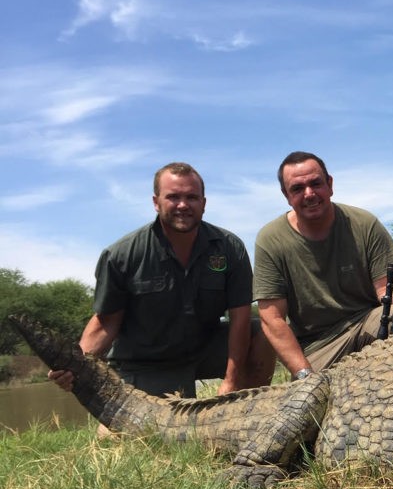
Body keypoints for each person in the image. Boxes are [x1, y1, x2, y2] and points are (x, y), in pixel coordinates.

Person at [49, 162, 275, 399]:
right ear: (156, 203)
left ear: (204, 204)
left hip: (204, 347)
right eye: (173, 197)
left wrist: (232, 381)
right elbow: (106, 323)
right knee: (126, 436)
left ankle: (248, 407)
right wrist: (74, 365)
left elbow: (240, 318)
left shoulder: (230, 247)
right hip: (147, 362)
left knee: (260, 331)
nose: (183, 205)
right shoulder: (121, 255)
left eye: (191, 197)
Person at [254, 151, 393, 380]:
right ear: (286, 195)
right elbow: (272, 318)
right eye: (297, 188)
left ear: (330, 184)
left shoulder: (364, 224)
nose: (309, 194)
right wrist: (304, 375)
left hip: (367, 325)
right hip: (318, 349)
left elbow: (386, 293)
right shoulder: (270, 239)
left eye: (316, 183)